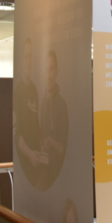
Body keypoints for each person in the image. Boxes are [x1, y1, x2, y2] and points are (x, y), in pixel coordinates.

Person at [14, 38, 43, 186]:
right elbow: (16, 132)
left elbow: (36, 124)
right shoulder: (17, 92)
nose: (28, 61)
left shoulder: (34, 90)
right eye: (26, 56)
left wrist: (41, 150)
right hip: (24, 165)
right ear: (21, 59)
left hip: (37, 162)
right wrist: (29, 154)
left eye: (30, 56)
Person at [39, 50, 69, 190]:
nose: (49, 75)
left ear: (56, 71)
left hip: (58, 176)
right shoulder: (43, 101)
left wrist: (51, 142)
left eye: (51, 69)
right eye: (46, 70)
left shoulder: (62, 105)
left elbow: (63, 148)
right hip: (43, 172)